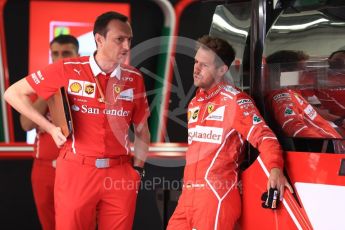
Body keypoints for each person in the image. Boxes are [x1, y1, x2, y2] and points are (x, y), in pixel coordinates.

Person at [4, 11, 150, 230]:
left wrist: (137, 171)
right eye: (119, 39)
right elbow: (13, 93)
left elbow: (142, 131)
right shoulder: (68, 69)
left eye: (129, 40)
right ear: (99, 39)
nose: (127, 46)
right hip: (77, 170)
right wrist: (50, 128)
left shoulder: (134, 78)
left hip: (120, 172)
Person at [167, 35, 292, 230]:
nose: (196, 69)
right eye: (196, 62)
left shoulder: (236, 101)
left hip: (215, 197)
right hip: (187, 196)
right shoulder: (195, 102)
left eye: (204, 65)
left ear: (222, 70)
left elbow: (265, 136)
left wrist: (275, 168)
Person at [19, 34, 79, 230]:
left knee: (79, 224)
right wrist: (51, 86)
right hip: (44, 168)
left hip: (78, 168)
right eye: (55, 54)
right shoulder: (39, 83)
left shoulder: (86, 85)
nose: (60, 58)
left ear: (77, 55)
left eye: (66, 53)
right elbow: (26, 124)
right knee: (49, 225)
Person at [265, 50, 342, 139]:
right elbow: (294, 128)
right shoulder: (282, 97)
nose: (305, 72)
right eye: (301, 69)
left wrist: (338, 120)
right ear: (285, 72)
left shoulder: (291, 92)